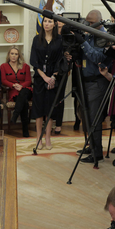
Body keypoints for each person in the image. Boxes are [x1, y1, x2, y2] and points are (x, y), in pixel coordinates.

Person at [75, 10, 114, 164]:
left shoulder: (104, 38)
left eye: (92, 23)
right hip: (85, 81)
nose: (88, 25)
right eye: (87, 22)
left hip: (98, 82)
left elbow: (97, 57)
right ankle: (91, 146)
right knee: (84, 115)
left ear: (100, 21)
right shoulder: (90, 35)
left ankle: (97, 153)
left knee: (94, 118)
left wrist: (82, 42)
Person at [30, 17, 64, 150]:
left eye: (50, 21)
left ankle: (48, 138)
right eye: (45, 21)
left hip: (53, 78)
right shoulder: (36, 39)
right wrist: (44, 77)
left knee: (49, 109)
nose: (47, 24)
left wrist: (53, 77)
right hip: (40, 78)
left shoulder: (59, 40)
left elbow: (60, 61)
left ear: (54, 24)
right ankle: (38, 138)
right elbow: (34, 61)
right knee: (39, 110)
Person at [1, 46, 33, 137]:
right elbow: (3, 80)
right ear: (9, 55)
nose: (14, 56)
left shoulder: (25, 66)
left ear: (19, 56)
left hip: (26, 89)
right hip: (13, 91)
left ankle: (15, 115)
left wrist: (22, 86)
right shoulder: (3, 66)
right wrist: (13, 85)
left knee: (23, 93)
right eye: (12, 54)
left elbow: (28, 81)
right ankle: (25, 130)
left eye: (16, 54)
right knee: (24, 102)